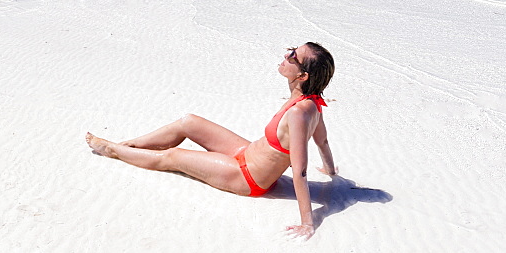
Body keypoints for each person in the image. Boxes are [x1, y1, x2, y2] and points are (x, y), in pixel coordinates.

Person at [86, 42, 337, 240]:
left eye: (293, 57)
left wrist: (307, 222)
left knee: (174, 156)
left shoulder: (299, 113)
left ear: (302, 76)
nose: (286, 56)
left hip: (247, 178)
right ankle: (129, 146)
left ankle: (112, 150)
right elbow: (323, 143)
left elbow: (300, 172)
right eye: (291, 49)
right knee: (189, 122)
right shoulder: (312, 103)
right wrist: (330, 170)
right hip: (246, 153)